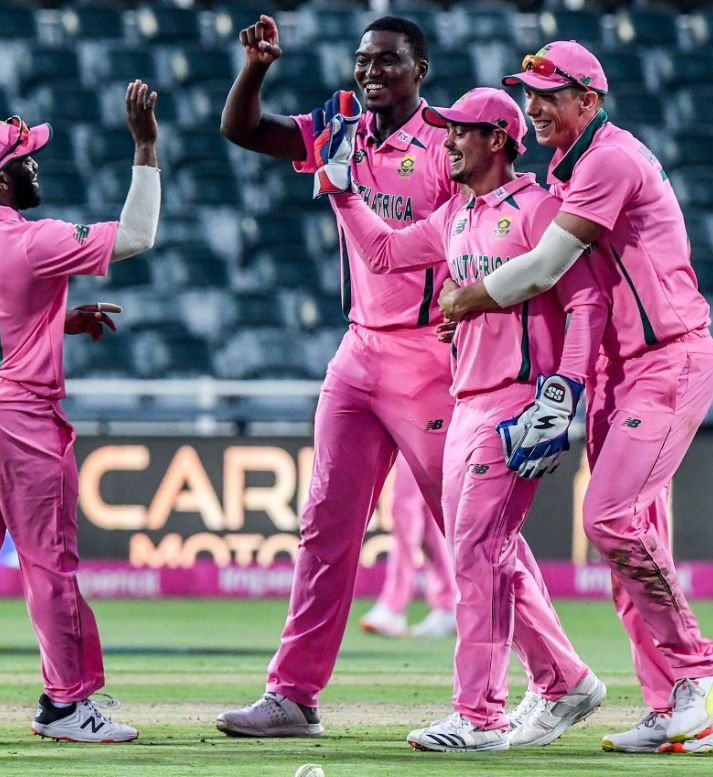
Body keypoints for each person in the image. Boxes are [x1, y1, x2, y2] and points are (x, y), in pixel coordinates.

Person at [216, 17, 596, 744]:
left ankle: (561, 674)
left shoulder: (447, 147)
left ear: (420, 70)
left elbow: (464, 245)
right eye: (363, 61)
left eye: (388, 62)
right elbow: (245, 130)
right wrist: (257, 67)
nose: (371, 73)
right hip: (356, 349)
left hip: (430, 358)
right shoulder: (341, 126)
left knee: (477, 531)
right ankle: (293, 693)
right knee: (325, 523)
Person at [438, 43, 713, 755]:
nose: (534, 104)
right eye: (529, 93)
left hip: (667, 359)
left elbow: (544, 268)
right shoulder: (572, 168)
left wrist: (465, 298)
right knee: (629, 545)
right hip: (623, 372)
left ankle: (700, 667)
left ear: (589, 102)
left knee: (609, 518)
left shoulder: (606, 160)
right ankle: (673, 711)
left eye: (549, 92)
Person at [317, 86, 608, 752]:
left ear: (499, 140)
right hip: (466, 398)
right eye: (446, 132)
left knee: (476, 553)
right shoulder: (455, 214)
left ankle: (479, 714)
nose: (446, 142)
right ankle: (566, 679)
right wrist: (341, 191)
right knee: (483, 553)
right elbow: (387, 254)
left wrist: (564, 390)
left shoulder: (539, 210)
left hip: (518, 399)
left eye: (460, 132)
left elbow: (587, 304)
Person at [0, 81, 161, 745]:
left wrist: (59, 323)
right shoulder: (32, 240)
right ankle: (66, 704)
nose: (35, 165)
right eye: (25, 159)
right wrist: (145, 147)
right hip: (13, 411)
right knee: (48, 558)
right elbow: (138, 235)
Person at [359, 453, 457, 640]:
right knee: (426, 510)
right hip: (426, 429)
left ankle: (394, 605)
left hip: (425, 428)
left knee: (405, 507)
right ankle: (449, 602)